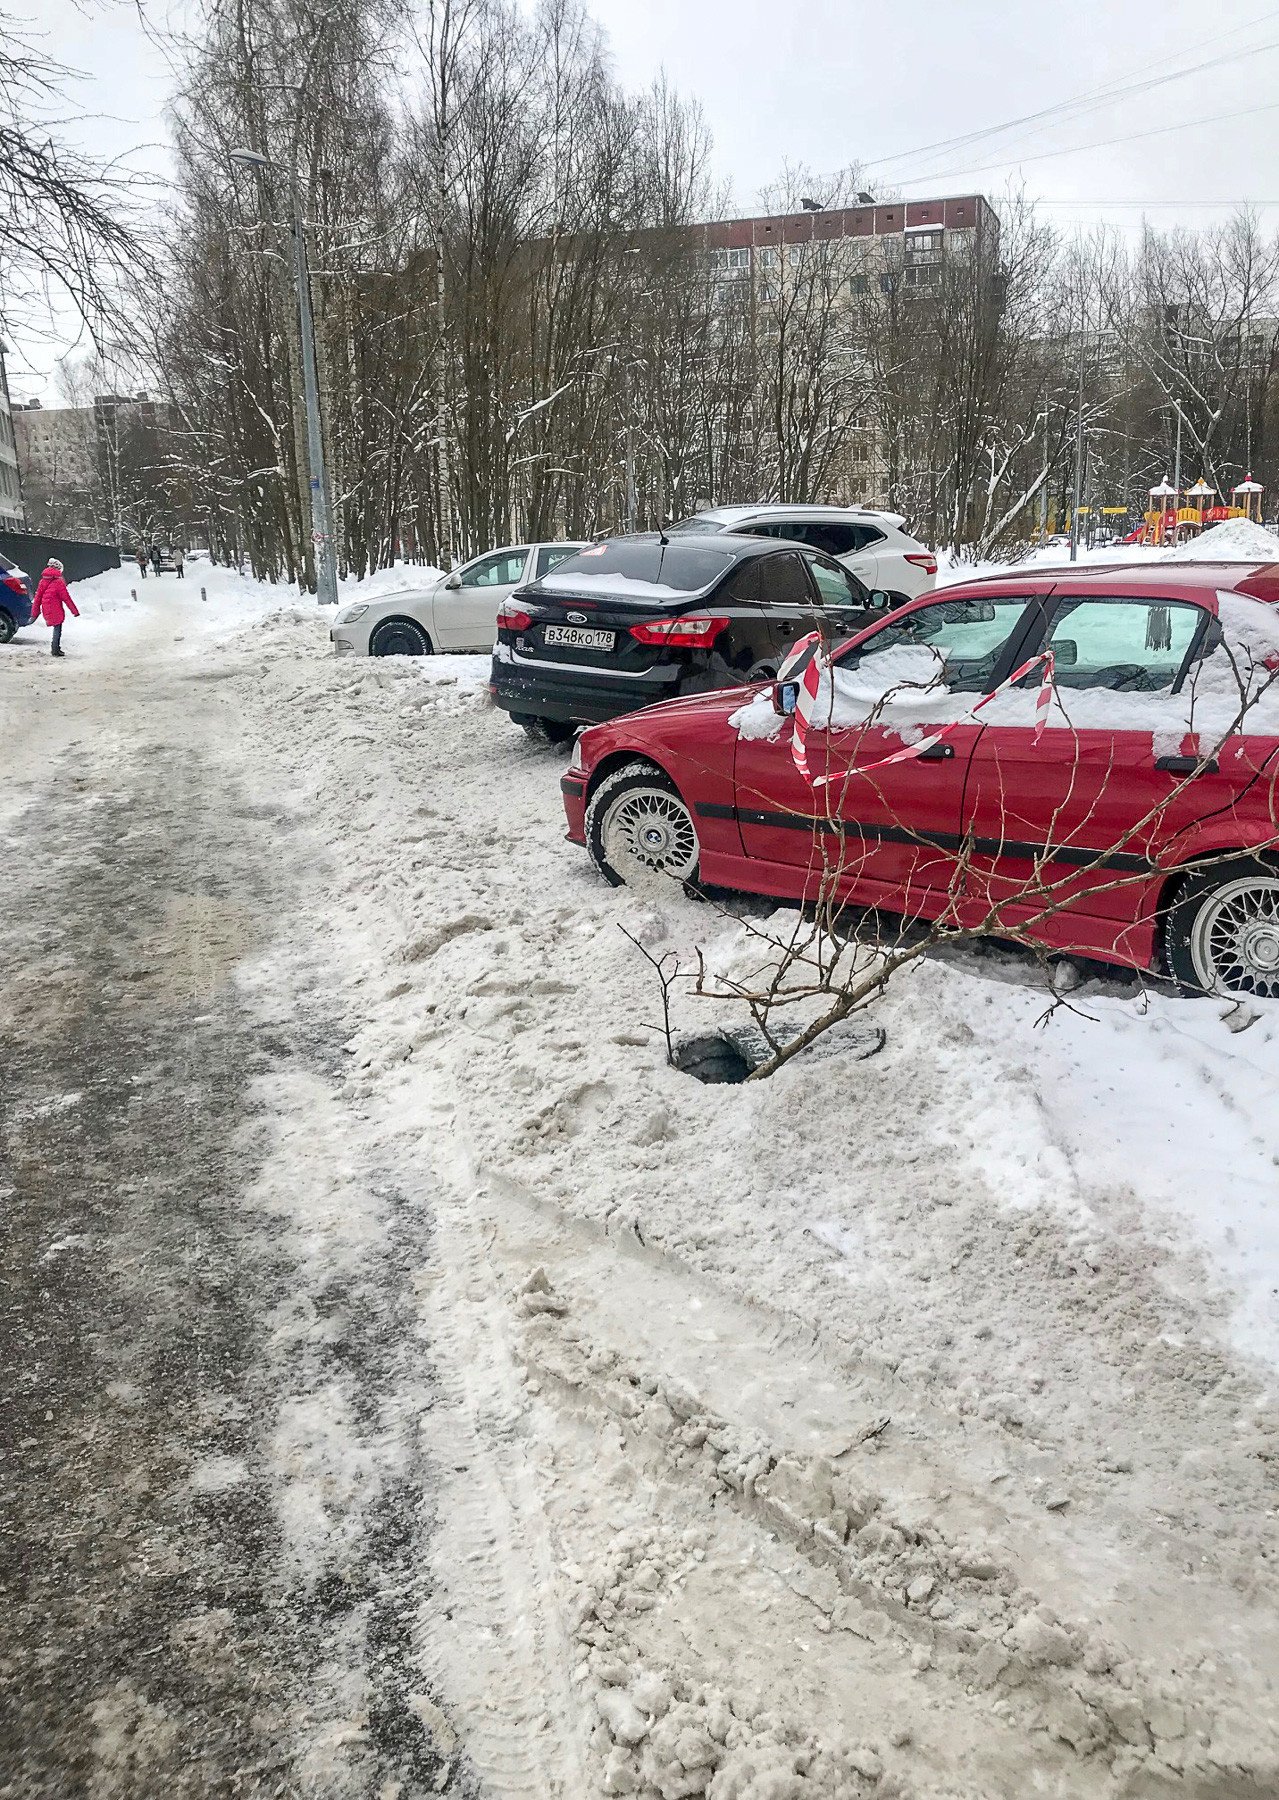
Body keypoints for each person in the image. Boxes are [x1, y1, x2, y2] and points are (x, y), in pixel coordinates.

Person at [31, 559, 79, 658]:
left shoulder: (42, 581)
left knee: (56, 627)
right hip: (55, 609)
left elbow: (37, 598)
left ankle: (55, 648)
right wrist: (75, 611)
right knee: (58, 628)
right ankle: (55, 649)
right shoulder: (59, 582)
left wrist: (34, 612)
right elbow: (66, 598)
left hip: (46, 608)